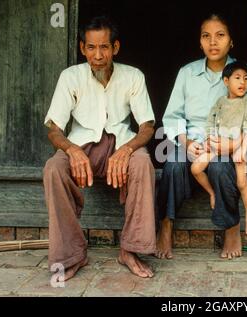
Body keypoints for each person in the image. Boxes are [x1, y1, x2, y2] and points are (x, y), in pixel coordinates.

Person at [43, 16, 156, 280]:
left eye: (104, 47)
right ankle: (72, 255)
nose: (98, 55)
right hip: (81, 147)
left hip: (120, 145)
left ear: (115, 47)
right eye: (91, 48)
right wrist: (71, 150)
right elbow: (54, 130)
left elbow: (147, 126)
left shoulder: (133, 76)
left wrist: (127, 150)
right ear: (83, 48)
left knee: (142, 162)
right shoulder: (70, 77)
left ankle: (130, 250)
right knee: (53, 169)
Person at [157, 14, 247, 260]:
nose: (213, 42)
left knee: (221, 168)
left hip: (234, 143)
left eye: (220, 35)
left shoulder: (244, 72)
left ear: (231, 41)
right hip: (194, 142)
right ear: (200, 42)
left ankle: (231, 227)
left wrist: (236, 144)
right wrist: (187, 143)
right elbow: (173, 116)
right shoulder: (187, 73)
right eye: (206, 36)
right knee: (173, 165)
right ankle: (166, 225)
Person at [191, 61, 247, 236]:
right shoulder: (220, 102)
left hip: (237, 147)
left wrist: (242, 149)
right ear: (226, 81)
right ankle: (212, 193)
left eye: (246, 79)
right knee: (195, 168)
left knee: (242, 183)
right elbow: (209, 122)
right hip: (217, 145)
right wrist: (208, 140)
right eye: (237, 78)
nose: (242, 82)